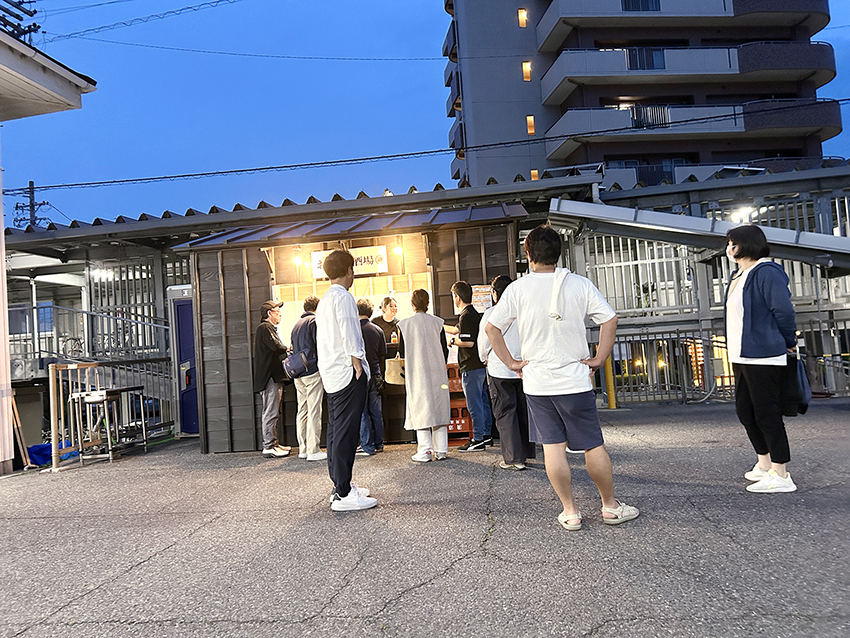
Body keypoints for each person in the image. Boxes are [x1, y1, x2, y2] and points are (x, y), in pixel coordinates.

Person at [486, 224, 639, 530]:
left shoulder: (518, 288)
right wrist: (599, 358)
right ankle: (609, 506)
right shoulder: (579, 284)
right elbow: (609, 319)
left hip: (538, 382)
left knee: (553, 448)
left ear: (528, 255)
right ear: (559, 253)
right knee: (592, 445)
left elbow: (492, 328)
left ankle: (570, 512)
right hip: (575, 379)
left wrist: (512, 363)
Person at [725, 225, 798, 493]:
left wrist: (789, 341)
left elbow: (784, 311)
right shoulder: (739, 274)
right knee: (746, 411)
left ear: (746, 244)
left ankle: (781, 473)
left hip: (765, 353)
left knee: (767, 413)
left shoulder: (766, 272)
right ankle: (764, 463)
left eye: (732, 243)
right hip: (742, 354)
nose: (729, 248)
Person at [315, 250, 377, 511]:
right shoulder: (344, 297)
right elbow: (350, 333)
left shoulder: (325, 300)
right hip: (347, 372)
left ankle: (340, 485)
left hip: (331, 373)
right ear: (349, 270)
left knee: (336, 430)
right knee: (346, 432)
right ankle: (343, 491)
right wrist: (357, 363)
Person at [478, 275, 535, 471]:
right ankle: (527, 452)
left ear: (495, 294)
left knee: (505, 413)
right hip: (523, 367)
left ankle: (513, 459)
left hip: (500, 368)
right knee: (523, 411)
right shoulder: (523, 312)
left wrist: (483, 357)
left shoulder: (492, 313)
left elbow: (484, 342)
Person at [398, 289, 451, 462]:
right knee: (439, 407)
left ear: (412, 305)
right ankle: (441, 450)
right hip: (438, 371)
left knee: (420, 407)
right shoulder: (438, 323)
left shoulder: (404, 325)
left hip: (417, 372)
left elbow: (402, 354)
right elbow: (444, 350)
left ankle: (425, 450)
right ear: (428, 303)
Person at [446, 281, 493, 452]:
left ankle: (478, 438)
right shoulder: (473, 313)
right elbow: (457, 330)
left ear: (457, 297)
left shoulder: (465, 316)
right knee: (483, 402)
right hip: (480, 366)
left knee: (474, 404)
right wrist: (438, 325)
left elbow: (468, 342)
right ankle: (486, 435)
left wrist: (453, 341)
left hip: (470, 368)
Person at [252, 300, 291, 458]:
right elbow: (275, 346)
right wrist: (288, 348)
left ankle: (273, 443)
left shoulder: (267, 329)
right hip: (269, 378)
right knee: (270, 411)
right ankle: (268, 445)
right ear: (269, 313)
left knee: (273, 410)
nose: (280, 314)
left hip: (272, 377)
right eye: (277, 311)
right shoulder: (265, 328)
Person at [290, 295, 326, 462]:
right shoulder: (314, 322)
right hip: (312, 370)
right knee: (314, 410)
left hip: (298, 373)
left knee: (302, 410)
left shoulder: (296, 325)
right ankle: (313, 449)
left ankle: (303, 448)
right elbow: (320, 345)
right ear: (316, 308)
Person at [357, 298, 387, 456]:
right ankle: (379, 443)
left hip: (359, 374)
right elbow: (383, 354)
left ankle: (367, 445)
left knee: (363, 412)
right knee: (376, 411)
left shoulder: (353, 330)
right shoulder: (378, 330)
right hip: (376, 374)